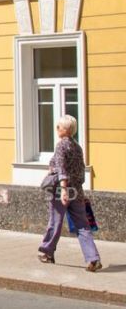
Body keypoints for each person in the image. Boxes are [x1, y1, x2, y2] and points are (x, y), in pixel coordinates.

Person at [38, 115, 102, 271]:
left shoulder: (61, 146)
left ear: (65, 129)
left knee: (55, 222)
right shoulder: (77, 147)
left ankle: (47, 252)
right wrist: (77, 189)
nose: (57, 129)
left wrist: (64, 190)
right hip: (77, 190)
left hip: (62, 189)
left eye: (58, 127)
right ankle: (93, 258)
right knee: (82, 225)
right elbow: (81, 171)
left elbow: (61, 169)